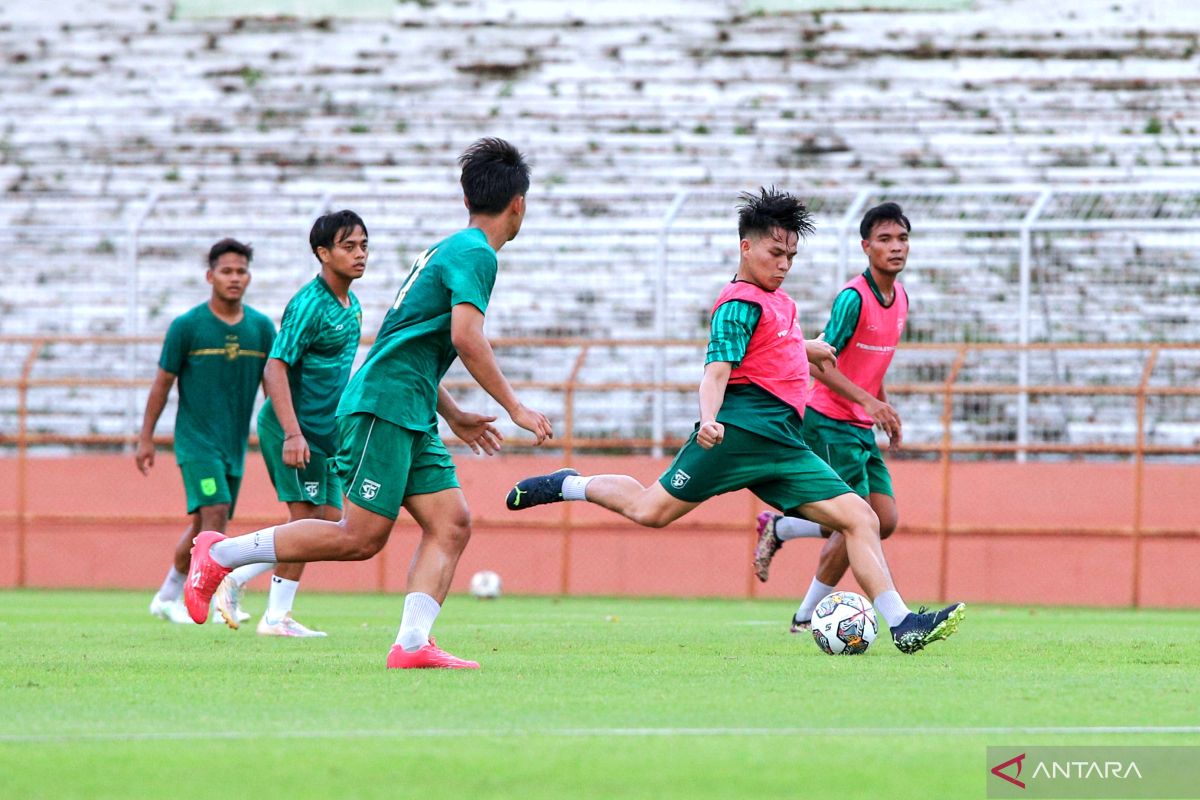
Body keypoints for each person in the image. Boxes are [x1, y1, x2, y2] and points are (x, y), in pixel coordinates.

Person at [506, 189, 964, 654]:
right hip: (737, 434)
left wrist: (806, 347)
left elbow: (773, 341)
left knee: (861, 518)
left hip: (785, 443)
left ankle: (903, 623)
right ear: (746, 247)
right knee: (651, 511)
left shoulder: (780, 302)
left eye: (791, 255)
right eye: (775, 253)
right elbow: (717, 371)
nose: (784, 264)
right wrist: (708, 419)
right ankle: (570, 484)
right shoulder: (736, 304)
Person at [182, 138, 553, 669]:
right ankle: (219, 554)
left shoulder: (453, 248)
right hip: (385, 406)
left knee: (451, 522)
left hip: (410, 406)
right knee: (358, 537)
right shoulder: (476, 254)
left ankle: (411, 646)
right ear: (518, 204)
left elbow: (408, 342)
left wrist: (453, 414)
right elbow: (467, 336)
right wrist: (514, 406)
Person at [752, 202, 912, 634]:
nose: (895, 248)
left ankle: (782, 528)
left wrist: (884, 407)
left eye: (902, 239)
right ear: (866, 247)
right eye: (885, 239)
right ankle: (805, 618)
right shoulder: (853, 298)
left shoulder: (900, 300)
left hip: (860, 423)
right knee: (853, 522)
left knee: (885, 519)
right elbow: (823, 363)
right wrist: (870, 403)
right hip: (827, 419)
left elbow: (870, 364)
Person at [212, 210, 368, 638]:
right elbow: (275, 368)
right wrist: (293, 432)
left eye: (363, 246)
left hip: (324, 434)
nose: (359, 255)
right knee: (306, 522)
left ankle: (235, 576)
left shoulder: (352, 304)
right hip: (293, 430)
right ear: (323, 253)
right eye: (348, 246)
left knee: (332, 526)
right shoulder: (308, 304)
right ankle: (272, 615)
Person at [136, 238, 276, 625]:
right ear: (209, 275)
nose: (234, 278)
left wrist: (282, 432)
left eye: (241, 271)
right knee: (214, 513)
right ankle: (212, 600)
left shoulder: (262, 328)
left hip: (233, 444)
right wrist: (146, 438)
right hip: (196, 442)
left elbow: (273, 386)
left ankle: (166, 596)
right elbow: (162, 383)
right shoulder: (187, 326)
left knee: (204, 526)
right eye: (227, 271)